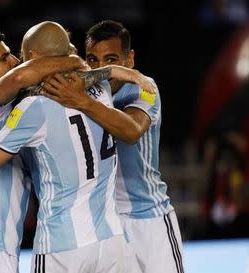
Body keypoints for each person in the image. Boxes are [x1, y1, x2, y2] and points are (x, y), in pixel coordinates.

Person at [0, 21, 155, 273]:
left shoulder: (30, 108)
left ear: (33, 58)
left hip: (59, 244)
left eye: (18, 56)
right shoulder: (99, 90)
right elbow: (27, 76)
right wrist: (105, 70)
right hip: (109, 240)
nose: (15, 62)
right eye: (6, 58)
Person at [40, 20, 185, 273]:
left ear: (129, 60)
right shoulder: (81, 92)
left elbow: (131, 130)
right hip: (107, 227)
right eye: (92, 60)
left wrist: (82, 101)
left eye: (110, 59)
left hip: (149, 219)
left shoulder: (144, 87)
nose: (100, 67)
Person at [0, 28, 89, 273]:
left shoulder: (9, 110)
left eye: (12, 54)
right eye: (3, 58)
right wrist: (75, 61)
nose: (14, 61)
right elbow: (20, 77)